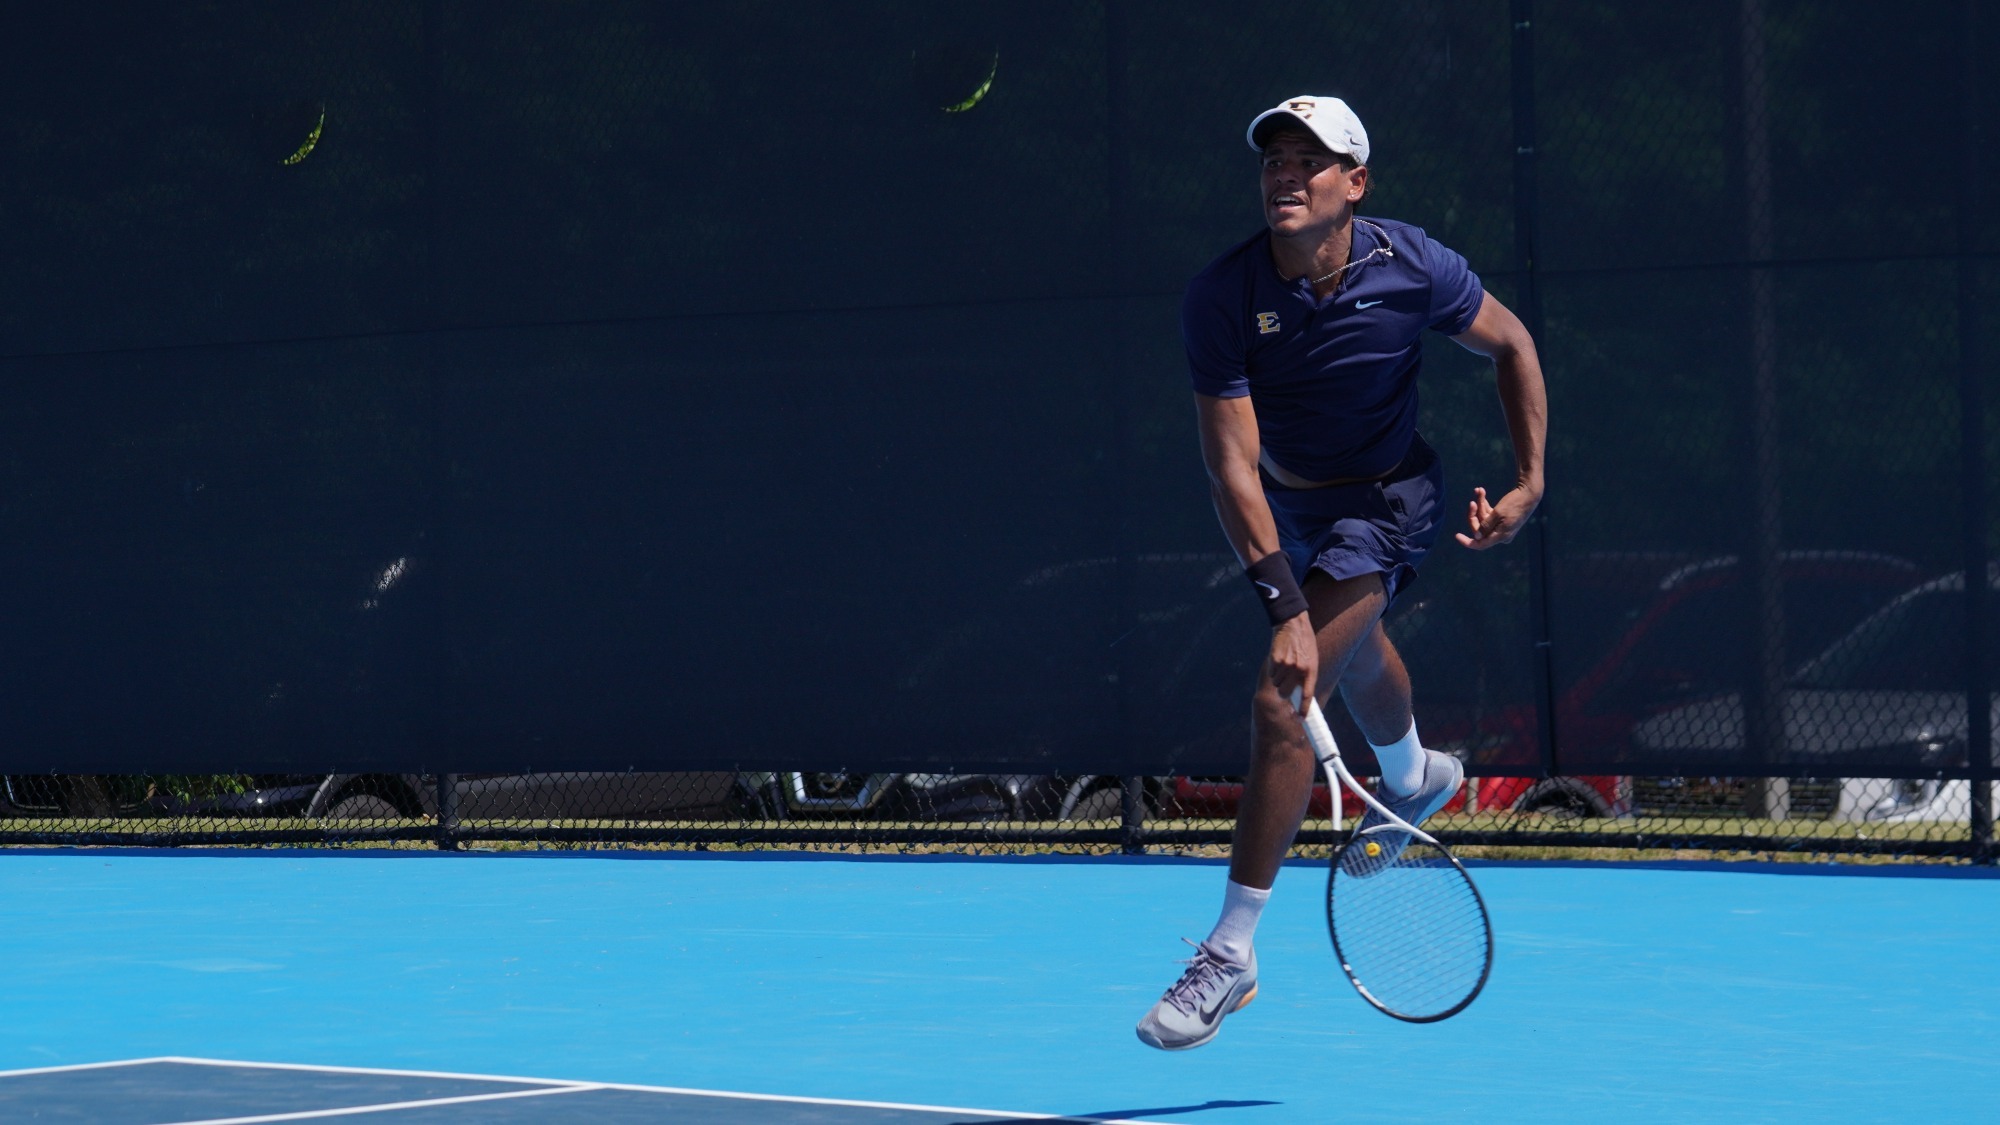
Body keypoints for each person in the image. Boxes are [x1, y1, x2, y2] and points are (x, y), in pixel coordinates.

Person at [1135, 95, 1547, 1051]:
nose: (1286, 173)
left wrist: (1529, 482)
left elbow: (1514, 344)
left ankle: (1231, 951)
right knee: (1350, 658)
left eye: (1309, 161)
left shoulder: (1414, 267)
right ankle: (1415, 775)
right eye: (1274, 159)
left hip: (1387, 500)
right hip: (1287, 496)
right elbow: (1229, 463)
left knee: (1284, 702)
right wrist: (1281, 596)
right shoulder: (1224, 295)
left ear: (1354, 184)